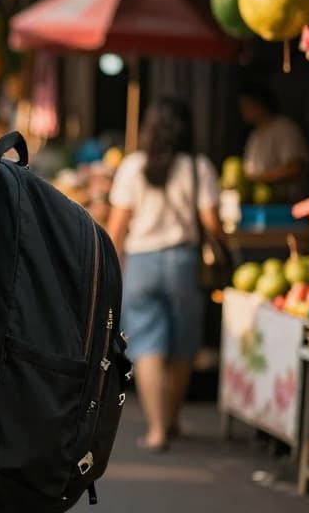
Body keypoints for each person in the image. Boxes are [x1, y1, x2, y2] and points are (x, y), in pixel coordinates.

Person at [105, 98, 220, 453]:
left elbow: (116, 228)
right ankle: (172, 420)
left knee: (147, 345)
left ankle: (157, 430)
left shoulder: (132, 167)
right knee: (182, 345)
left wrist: (108, 267)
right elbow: (212, 223)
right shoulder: (199, 168)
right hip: (183, 262)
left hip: (141, 262)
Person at [238, 82, 309, 202]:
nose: (243, 111)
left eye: (246, 105)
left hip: (290, 207)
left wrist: (259, 178)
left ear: (259, 103)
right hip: (263, 207)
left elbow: (296, 168)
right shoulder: (254, 135)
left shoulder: (284, 129)